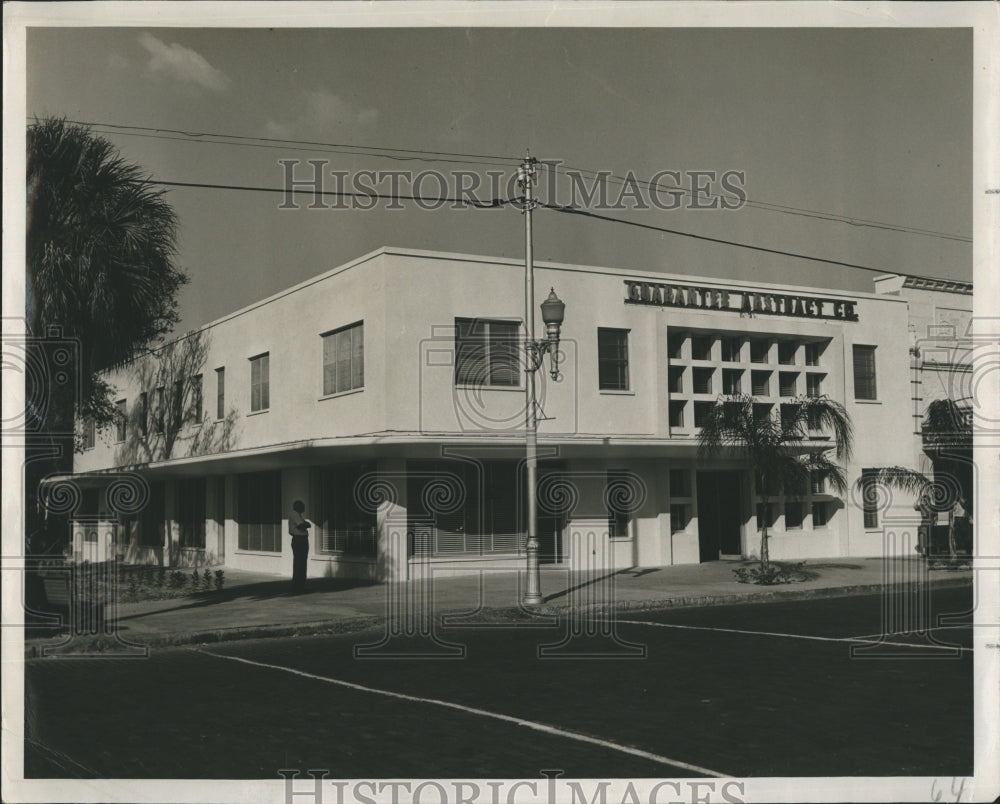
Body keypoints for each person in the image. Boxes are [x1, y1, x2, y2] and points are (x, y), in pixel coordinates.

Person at [289, 500, 311, 591]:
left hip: (300, 539)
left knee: (300, 562)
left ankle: (300, 584)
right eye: (302, 506)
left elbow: (308, 524)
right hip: (299, 540)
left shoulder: (298, 515)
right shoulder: (295, 515)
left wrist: (306, 524)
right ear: (298, 507)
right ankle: (298, 585)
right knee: (300, 562)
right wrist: (306, 524)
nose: (304, 508)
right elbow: (302, 526)